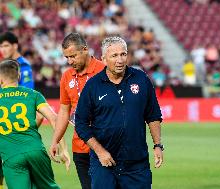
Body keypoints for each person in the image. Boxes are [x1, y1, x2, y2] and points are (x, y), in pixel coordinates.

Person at [73, 36, 164, 189]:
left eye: (123, 54)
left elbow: (153, 115)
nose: (120, 60)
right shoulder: (93, 85)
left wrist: (157, 145)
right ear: (104, 58)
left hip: (136, 164)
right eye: (114, 56)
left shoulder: (141, 79)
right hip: (104, 163)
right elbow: (81, 123)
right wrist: (100, 151)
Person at [0, 59, 70, 189]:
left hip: (11, 156)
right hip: (36, 151)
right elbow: (54, 118)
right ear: (19, 76)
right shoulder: (33, 94)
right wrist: (64, 148)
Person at [50, 32, 105, 189]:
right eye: (67, 57)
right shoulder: (67, 76)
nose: (69, 61)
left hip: (105, 145)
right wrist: (55, 140)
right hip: (80, 147)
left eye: (73, 56)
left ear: (85, 49)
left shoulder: (104, 70)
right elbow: (64, 111)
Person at [0, 31, 41, 189]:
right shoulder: (5, 66)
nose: (2, 49)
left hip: (15, 131)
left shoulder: (23, 67)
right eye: (1, 46)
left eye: (5, 45)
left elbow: (26, 98)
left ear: (15, 45)